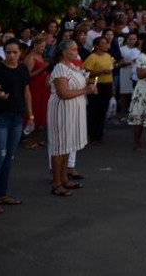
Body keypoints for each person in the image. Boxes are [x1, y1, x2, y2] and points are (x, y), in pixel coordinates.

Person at [46, 38, 94, 198]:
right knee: (59, 146)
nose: (76, 52)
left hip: (73, 111)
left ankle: (64, 177)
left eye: (76, 49)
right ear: (64, 52)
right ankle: (56, 182)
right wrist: (85, 91)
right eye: (73, 49)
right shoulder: (60, 68)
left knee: (67, 145)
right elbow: (63, 93)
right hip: (62, 111)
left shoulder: (72, 66)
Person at [0, 39, 33, 213]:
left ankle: (2, 193)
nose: (12, 56)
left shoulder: (22, 69)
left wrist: (30, 115)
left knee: (9, 157)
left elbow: (26, 91)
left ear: (20, 52)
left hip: (17, 116)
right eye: (8, 52)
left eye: (15, 52)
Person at [82, 36, 115, 143]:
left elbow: (111, 71)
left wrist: (112, 86)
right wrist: (102, 72)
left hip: (107, 84)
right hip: (96, 85)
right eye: (103, 43)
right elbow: (87, 73)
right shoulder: (92, 57)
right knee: (94, 110)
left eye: (106, 43)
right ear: (96, 46)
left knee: (103, 110)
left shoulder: (108, 56)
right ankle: (93, 134)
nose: (105, 45)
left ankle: (99, 134)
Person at [23, 36, 50, 149]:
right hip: (34, 88)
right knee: (34, 112)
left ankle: (34, 139)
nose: (43, 48)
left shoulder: (40, 56)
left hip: (42, 88)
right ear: (35, 45)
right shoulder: (30, 58)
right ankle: (29, 141)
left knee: (40, 113)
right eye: (42, 46)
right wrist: (43, 69)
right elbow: (27, 75)